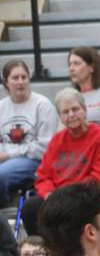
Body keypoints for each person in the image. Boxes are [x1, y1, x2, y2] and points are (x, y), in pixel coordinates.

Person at [20, 88, 100, 237]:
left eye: (75, 109)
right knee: (30, 208)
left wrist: (68, 195)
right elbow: (43, 175)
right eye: (65, 112)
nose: (71, 115)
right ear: (60, 117)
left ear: (84, 110)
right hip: (56, 197)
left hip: (84, 196)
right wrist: (49, 194)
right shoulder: (57, 139)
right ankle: (44, 252)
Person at [0, 59, 58, 207]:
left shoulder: (43, 105)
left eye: (24, 77)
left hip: (34, 161)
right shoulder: (2, 106)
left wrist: (9, 155)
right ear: (6, 82)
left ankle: (3, 216)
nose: (20, 82)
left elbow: (45, 148)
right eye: (15, 78)